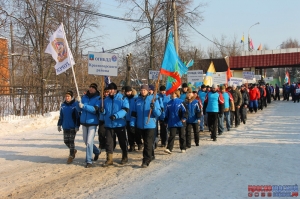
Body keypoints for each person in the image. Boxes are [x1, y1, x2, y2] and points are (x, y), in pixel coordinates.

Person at [130, 85, 161, 168]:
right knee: (147, 142)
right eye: (142, 90)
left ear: (148, 91)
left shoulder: (153, 100)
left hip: (150, 125)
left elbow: (158, 113)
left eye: (145, 90)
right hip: (140, 125)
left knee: (147, 142)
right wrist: (132, 124)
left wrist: (153, 108)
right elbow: (133, 114)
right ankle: (151, 154)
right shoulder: (137, 100)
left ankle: (146, 160)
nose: (143, 91)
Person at [101, 82, 129, 167]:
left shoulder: (122, 98)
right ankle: (109, 159)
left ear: (115, 90)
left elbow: (125, 110)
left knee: (122, 141)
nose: (110, 91)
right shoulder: (105, 100)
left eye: (111, 89)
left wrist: (116, 116)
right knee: (109, 142)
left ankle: (124, 156)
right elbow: (105, 112)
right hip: (109, 125)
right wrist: (103, 111)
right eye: (109, 89)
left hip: (119, 124)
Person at [77, 83, 101, 168]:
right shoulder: (84, 97)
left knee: (89, 142)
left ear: (96, 89)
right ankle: (97, 151)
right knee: (85, 141)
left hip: (92, 122)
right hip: (84, 122)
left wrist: (84, 106)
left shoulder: (98, 98)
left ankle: (89, 161)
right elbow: (79, 109)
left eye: (93, 88)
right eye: (90, 87)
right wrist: (78, 102)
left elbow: (94, 110)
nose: (91, 89)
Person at [57, 90, 80, 164]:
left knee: (71, 141)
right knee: (66, 141)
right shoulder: (63, 105)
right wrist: (59, 124)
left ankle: (71, 156)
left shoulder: (74, 105)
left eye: (68, 96)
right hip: (65, 125)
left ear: (71, 97)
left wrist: (77, 125)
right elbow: (61, 116)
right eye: (66, 96)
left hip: (73, 126)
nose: (67, 98)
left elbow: (77, 117)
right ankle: (73, 150)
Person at [124, 86, 138, 152]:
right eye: (127, 92)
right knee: (129, 133)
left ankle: (139, 142)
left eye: (129, 92)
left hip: (135, 118)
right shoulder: (125, 99)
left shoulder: (136, 98)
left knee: (136, 132)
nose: (128, 93)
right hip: (127, 118)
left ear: (131, 91)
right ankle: (132, 146)